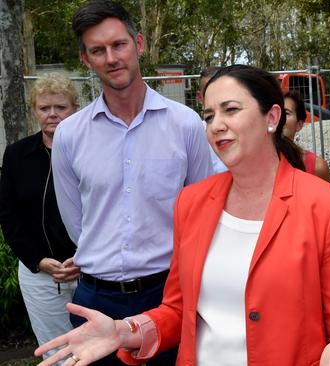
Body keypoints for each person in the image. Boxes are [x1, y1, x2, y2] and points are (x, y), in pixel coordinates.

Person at [35, 64, 330, 366]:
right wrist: (125, 332)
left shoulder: (325, 206)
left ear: (271, 118)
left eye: (230, 110)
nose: (215, 125)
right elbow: (178, 311)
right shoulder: (192, 202)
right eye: (209, 115)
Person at [51, 1, 212, 364]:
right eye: (98, 50)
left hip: (167, 296)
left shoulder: (186, 126)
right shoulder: (69, 135)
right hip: (95, 300)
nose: (111, 58)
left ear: (138, 43)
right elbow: (77, 221)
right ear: (85, 59)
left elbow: (203, 212)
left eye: (118, 44)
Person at [0, 73, 80, 365]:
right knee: (57, 352)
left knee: (100, 350)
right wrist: (38, 260)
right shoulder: (17, 155)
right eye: (45, 108)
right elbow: (8, 216)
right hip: (41, 276)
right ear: (34, 110)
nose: (53, 114)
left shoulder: (90, 151)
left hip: (90, 271)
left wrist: (86, 258)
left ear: (75, 108)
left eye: (61, 107)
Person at [283, 90, 330, 181]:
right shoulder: (254, 164)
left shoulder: (316, 167)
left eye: (286, 113)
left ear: (299, 124)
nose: (278, 117)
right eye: (274, 111)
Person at [197, 66, 227, 173]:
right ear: (199, 97)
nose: (218, 97)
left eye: (224, 91)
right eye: (209, 92)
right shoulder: (194, 133)